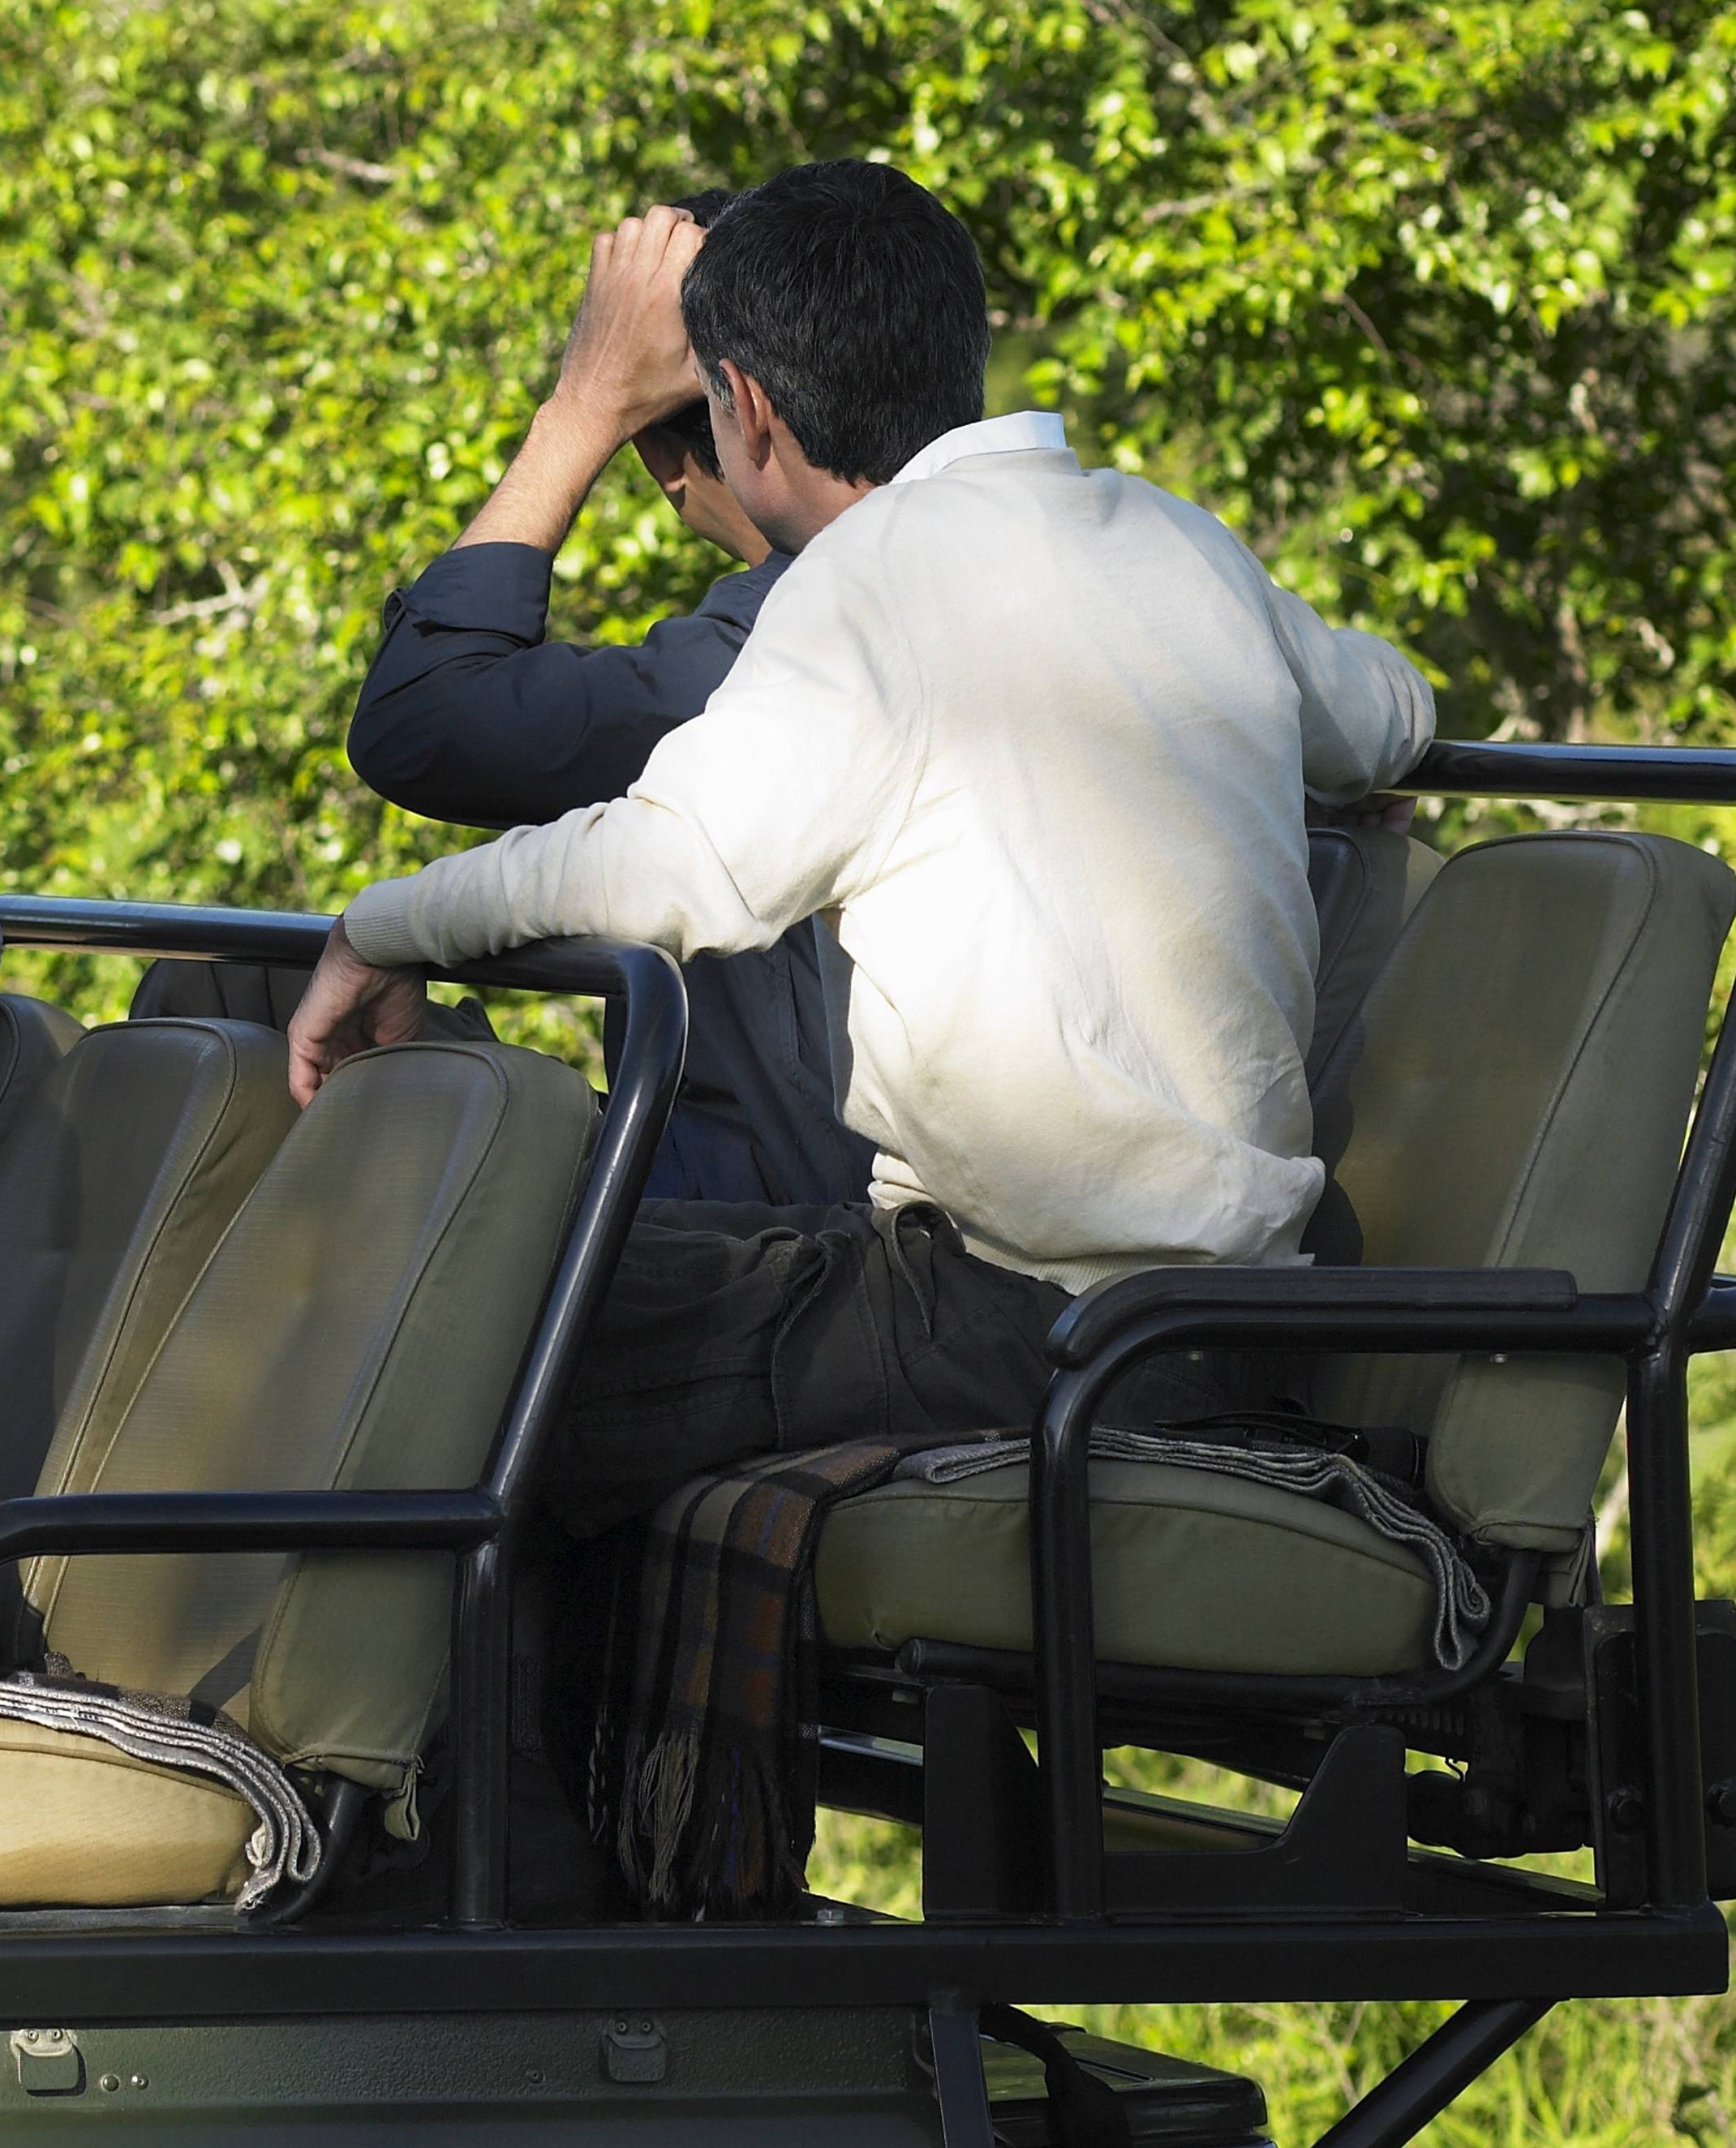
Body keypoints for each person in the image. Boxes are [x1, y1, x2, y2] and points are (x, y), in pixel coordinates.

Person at [283, 161, 1433, 1888]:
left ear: (740, 407)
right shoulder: (1176, 542)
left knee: (453, 1342)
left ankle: (536, 1908)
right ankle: (595, 1876)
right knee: (566, 1306)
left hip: (1006, 1319)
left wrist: (383, 923)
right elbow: (1390, 710)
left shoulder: (862, 582)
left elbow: (674, 868)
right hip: (1207, 1306)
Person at [348, 195, 869, 1210]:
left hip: (789, 1252)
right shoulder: (1064, 571)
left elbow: (417, 725)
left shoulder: (781, 644)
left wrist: (583, 407)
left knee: (241, 998)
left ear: (690, 452)